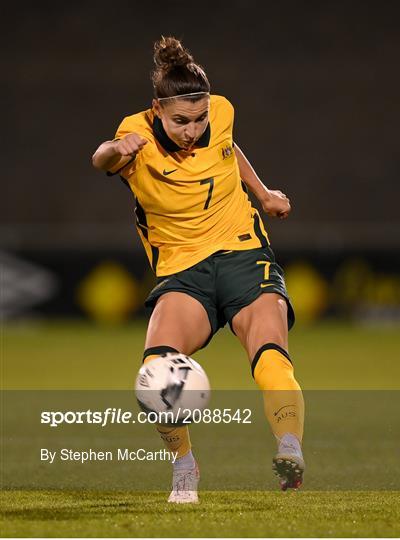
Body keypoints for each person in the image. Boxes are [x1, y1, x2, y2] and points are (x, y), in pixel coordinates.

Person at [92, 36, 305, 503]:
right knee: (157, 373)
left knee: (270, 354)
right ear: (157, 110)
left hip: (243, 253)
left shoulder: (222, 113)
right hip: (183, 271)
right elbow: (101, 160)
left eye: (199, 118)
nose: (192, 130)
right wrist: (115, 147)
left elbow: (228, 146)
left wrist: (264, 193)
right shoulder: (137, 133)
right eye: (181, 121)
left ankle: (289, 448)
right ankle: (184, 464)